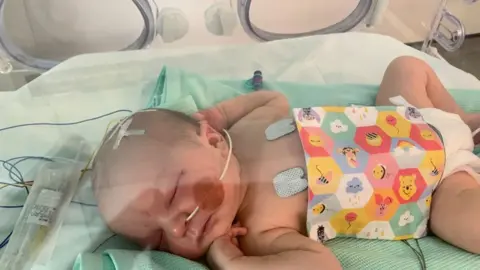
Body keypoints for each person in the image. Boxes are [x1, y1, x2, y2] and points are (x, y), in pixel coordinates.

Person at [91, 56, 480, 269]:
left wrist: (222, 112)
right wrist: (234, 262)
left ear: (210, 138)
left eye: (174, 192)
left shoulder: (243, 130)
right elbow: (322, 266)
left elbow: (271, 100)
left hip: (409, 115)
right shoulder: (258, 231)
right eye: (159, 239)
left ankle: (463, 123)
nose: (177, 226)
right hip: (436, 187)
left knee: (405, 67)